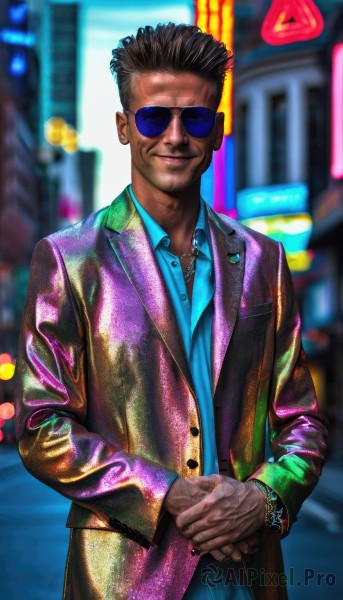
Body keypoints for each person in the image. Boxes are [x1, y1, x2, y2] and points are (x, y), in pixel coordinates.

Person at [14, 23, 327, 600]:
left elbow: (302, 422)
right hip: (123, 580)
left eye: (197, 120)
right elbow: (40, 426)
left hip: (247, 575)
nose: (176, 137)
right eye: (156, 117)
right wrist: (167, 494)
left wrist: (260, 498)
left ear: (218, 134)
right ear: (124, 127)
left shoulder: (265, 260)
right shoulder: (68, 260)